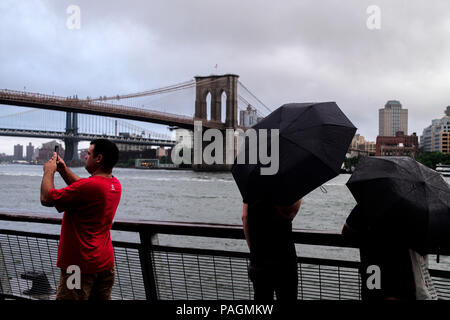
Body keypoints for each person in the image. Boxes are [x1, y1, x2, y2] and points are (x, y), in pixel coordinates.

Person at [40, 139, 122, 300]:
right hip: (105, 266)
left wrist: (48, 171)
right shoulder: (114, 184)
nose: (85, 156)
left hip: (77, 267)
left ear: (98, 158)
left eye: (89, 153)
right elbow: (83, 187)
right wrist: (63, 170)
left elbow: (47, 199)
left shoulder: (87, 187)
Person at [342, 204, 438, 300]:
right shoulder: (411, 208)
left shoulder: (366, 204)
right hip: (400, 275)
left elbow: (346, 232)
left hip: (371, 270)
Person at [242, 197, 301, 301]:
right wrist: (299, 194)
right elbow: (290, 212)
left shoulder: (251, 187)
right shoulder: (283, 188)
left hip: (258, 259)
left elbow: (245, 217)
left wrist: (254, 250)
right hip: (284, 260)